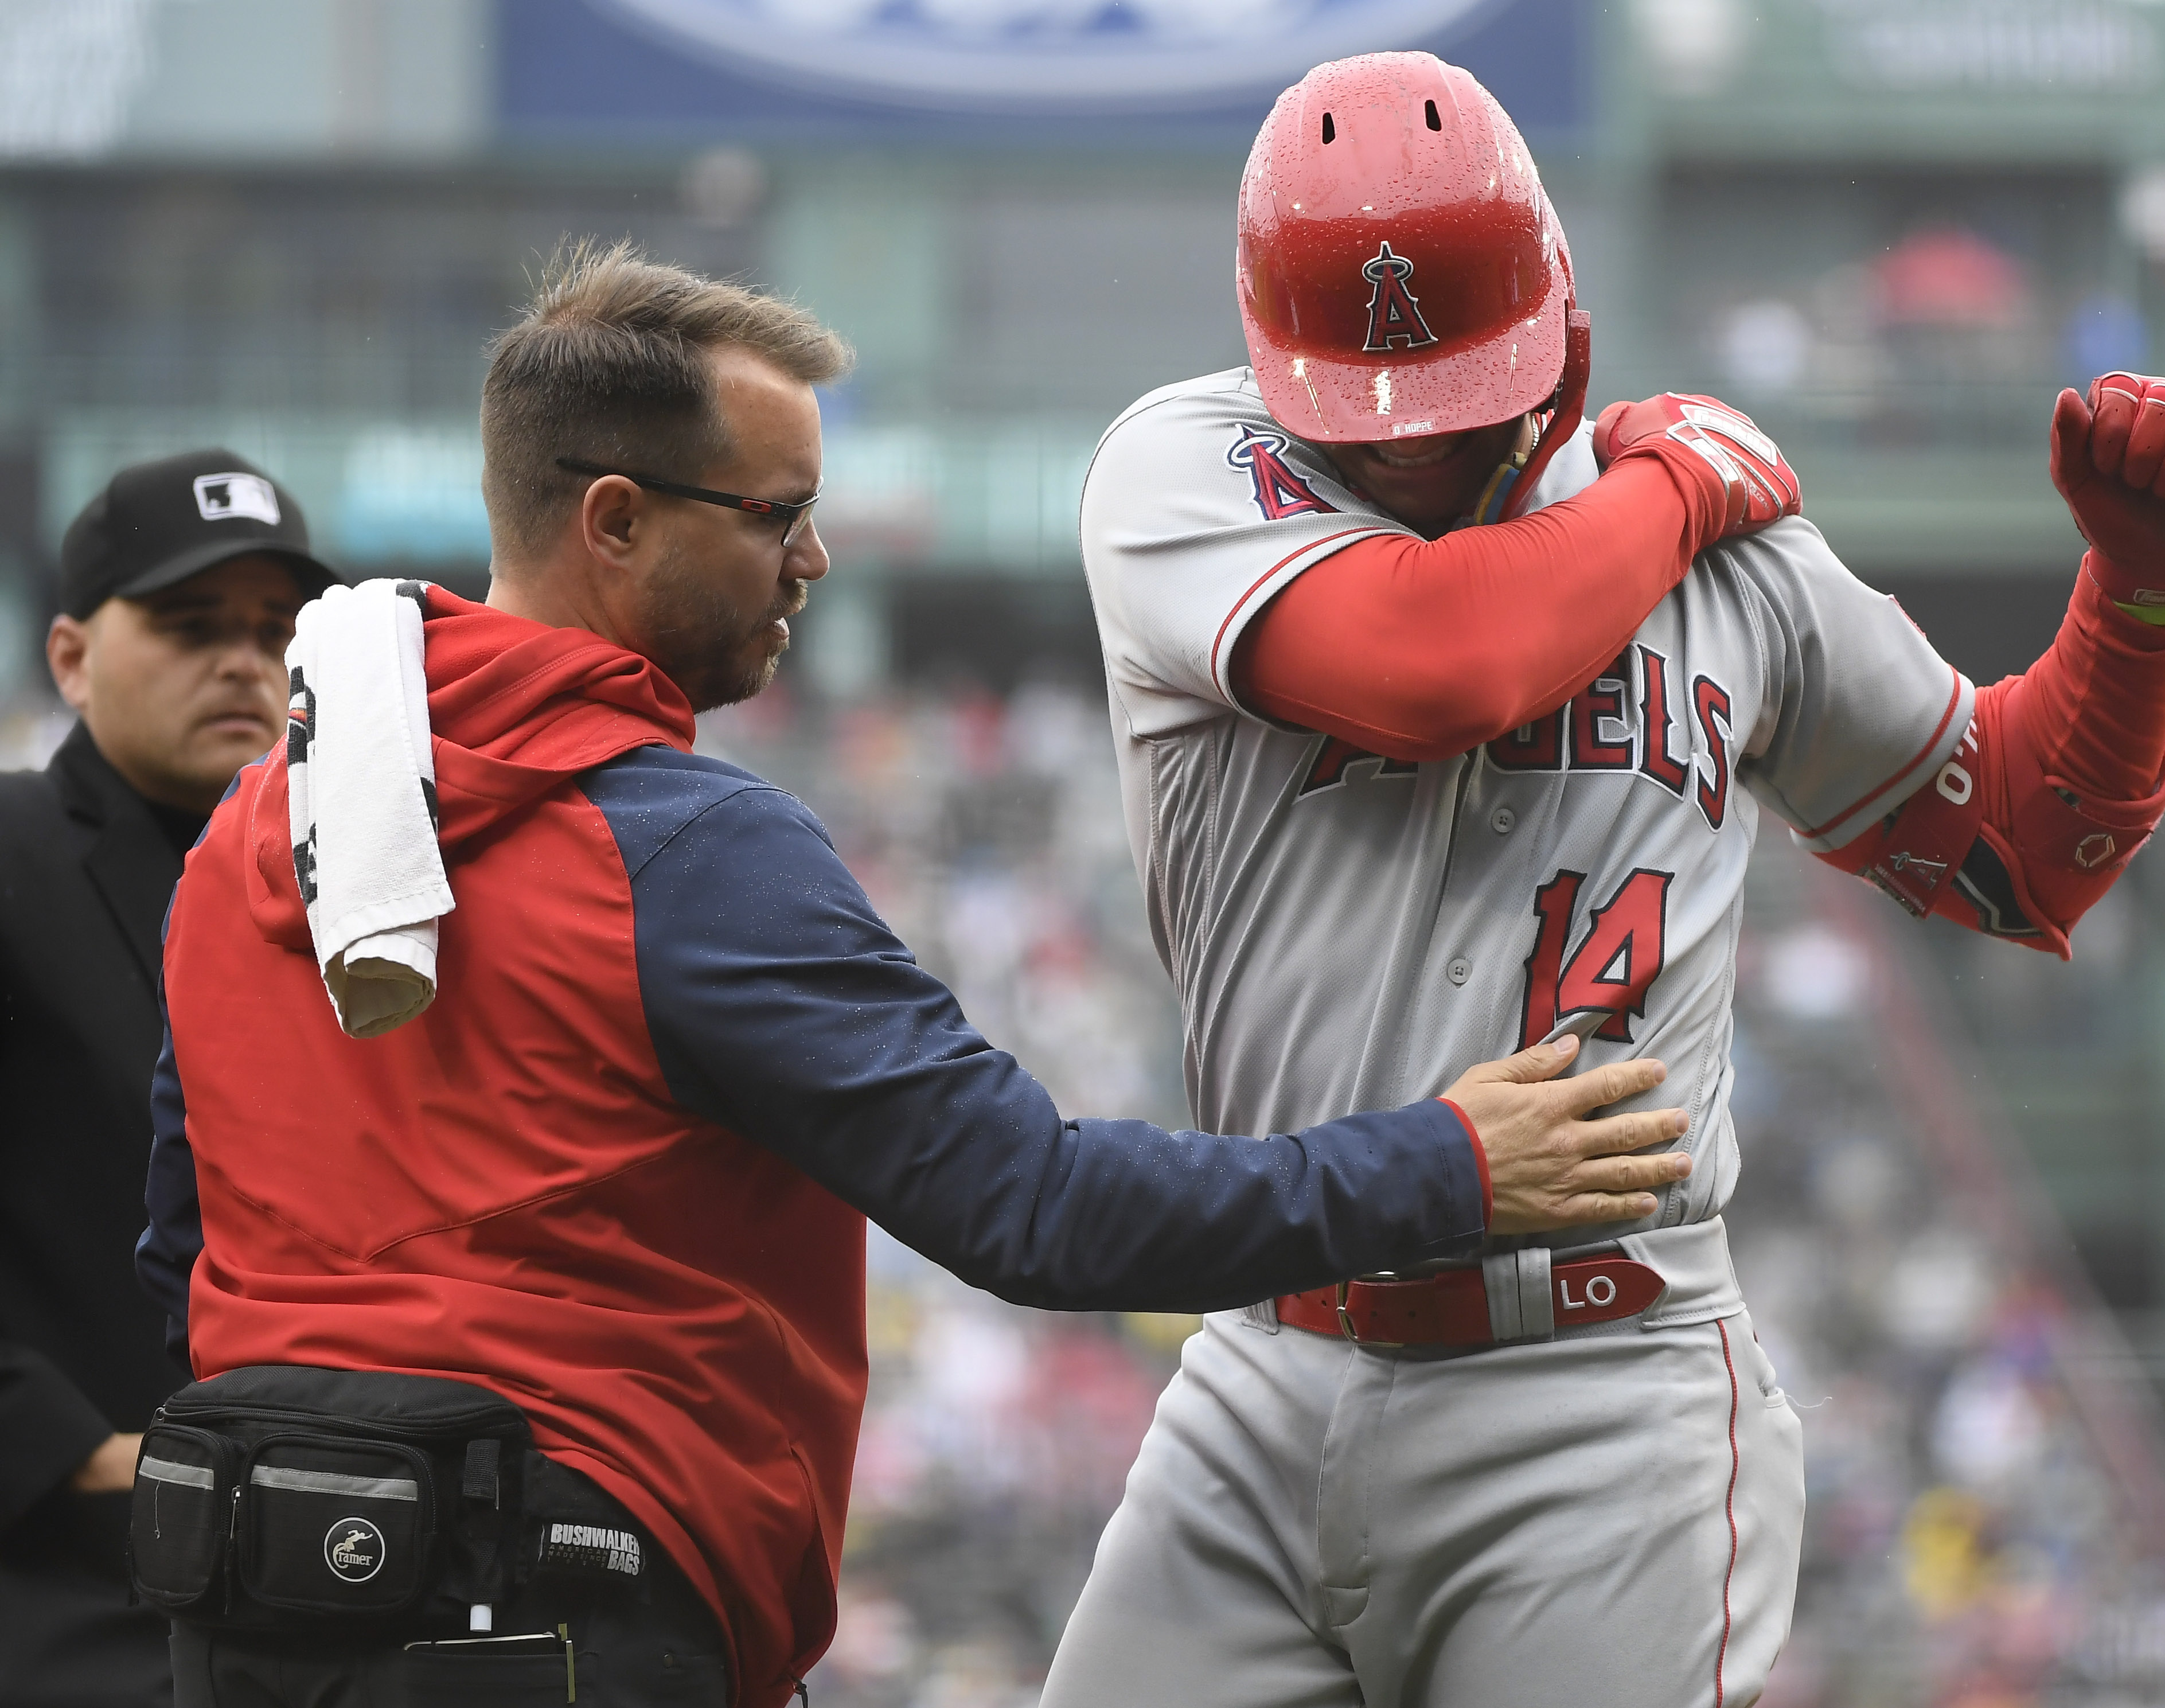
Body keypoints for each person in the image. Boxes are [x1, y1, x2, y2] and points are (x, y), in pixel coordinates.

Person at [131, 242, 1694, 1708]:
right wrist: (1449, 1165)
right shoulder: (682, 851)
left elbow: (180, 1254)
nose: (813, 556)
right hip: (567, 1593)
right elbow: (1037, 1209)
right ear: (612, 520)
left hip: (252, 1598)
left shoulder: (255, 834)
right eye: (773, 512)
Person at [1048, 52, 2165, 1708]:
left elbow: (2024, 853)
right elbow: (1444, 660)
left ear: (1560, 323)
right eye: (1359, 409)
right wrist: (1680, 485)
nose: (1402, 451)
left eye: (1453, 397)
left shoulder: (1743, 578)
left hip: (1597, 1394)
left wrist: (2137, 598)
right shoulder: (1187, 467)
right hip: (1265, 1355)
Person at [0, 450, 337, 1707]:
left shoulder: (358, 909)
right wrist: (85, 1455)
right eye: (192, 625)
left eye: (274, 630)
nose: (245, 662)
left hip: (314, 1599)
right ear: (74, 657)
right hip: (54, 1594)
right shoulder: (13, 854)